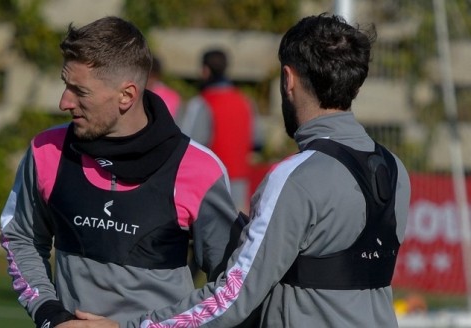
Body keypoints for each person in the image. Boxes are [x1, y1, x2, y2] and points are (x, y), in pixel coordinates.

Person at [115, 13, 409, 327]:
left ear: (288, 79)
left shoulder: (296, 177)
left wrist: (138, 325)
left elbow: (232, 299)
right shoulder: (395, 168)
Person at [0, 16, 245, 328]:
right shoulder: (46, 151)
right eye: (65, 85)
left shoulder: (197, 168)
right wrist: (50, 314)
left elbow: (232, 287)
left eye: (80, 91)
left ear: (126, 96)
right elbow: (19, 236)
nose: (64, 102)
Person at [180, 49, 257, 212]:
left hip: (210, 183)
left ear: (205, 70)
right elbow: (257, 140)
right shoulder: (245, 102)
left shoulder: (201, 103)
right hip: (240, 185)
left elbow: (187, 145)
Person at [146, 55, 182, 120]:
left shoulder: (172, 96)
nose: (148, 80)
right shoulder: (137, 93)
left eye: (150, 76)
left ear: (157, 76)